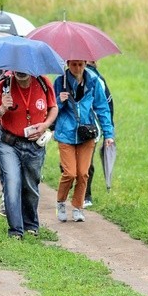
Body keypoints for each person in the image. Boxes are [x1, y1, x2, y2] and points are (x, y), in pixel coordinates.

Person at [0, 70, 58, 239]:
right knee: (12, 182)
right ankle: (16, 231)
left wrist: (45, 124)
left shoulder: (43, 83)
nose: (20, 72)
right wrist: (2, 108)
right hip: (8, 142)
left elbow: (53, 107)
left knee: (30, 186)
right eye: (17, 68)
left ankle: (31, 225)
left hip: (34, 145)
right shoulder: (4, 86)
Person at [53, 60, 115, 223]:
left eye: (80, 64)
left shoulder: (93, 81)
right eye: (74, 65)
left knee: (83, 173)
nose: (77, 68)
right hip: (66, 133)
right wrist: (60, 100)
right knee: (70, 173)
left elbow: (102, 108)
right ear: (68, 63)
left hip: (87, 133)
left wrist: (109, 134)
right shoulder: (60, 81)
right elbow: (50, 107)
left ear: (85, 63)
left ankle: (77, 207)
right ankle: (60, 202)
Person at [83, 60, 114, 207]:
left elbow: (105, 107)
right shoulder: (63, 80)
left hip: (90, 129)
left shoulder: (97, 80)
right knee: (71, 166)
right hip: (68, 130)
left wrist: (109, 133)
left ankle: (86, 194)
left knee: (86, 163)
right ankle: (82, 194)